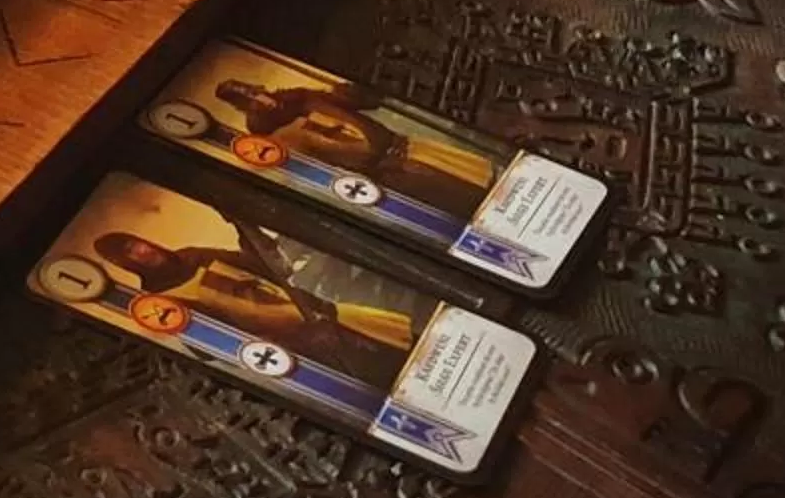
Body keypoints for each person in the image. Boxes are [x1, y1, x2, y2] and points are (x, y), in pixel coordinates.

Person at [94, 224, 412, 388]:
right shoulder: (161, 304)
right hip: (311, 349)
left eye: (139, 243)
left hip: (332, 314)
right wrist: (293, 341)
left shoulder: (195, 255)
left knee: (411, 349)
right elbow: (214, 348)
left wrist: (250, 238)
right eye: (131, 252)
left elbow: (264, 267)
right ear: (125, 262)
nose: (143, 251)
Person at [221, 75, 492, 223]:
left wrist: (350, 91)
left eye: (255, 92)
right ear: (244, 109)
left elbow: (365, 102)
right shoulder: (280, 141)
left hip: (412, 148)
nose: (261, 100)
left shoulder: (305, 97)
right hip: (393, 174)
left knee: (488, 184)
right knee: (468, 203)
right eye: (250, 101)